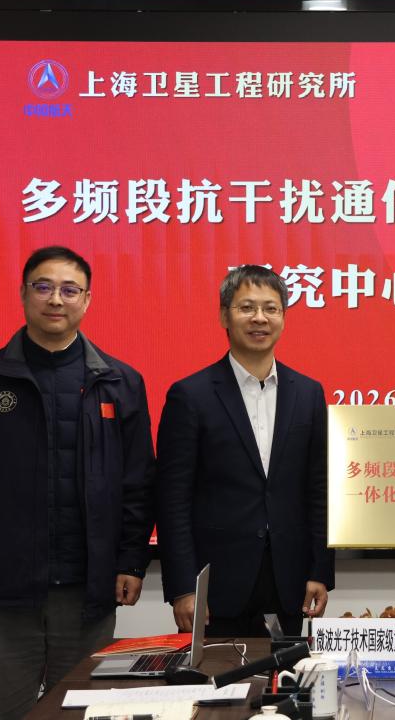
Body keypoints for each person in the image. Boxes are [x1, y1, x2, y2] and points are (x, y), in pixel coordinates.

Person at [0, 246, 156, 720]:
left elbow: (138, 483)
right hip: (5, 592)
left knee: (81, 713)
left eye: (70, 290)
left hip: (88, 594)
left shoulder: (120, 382)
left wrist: (132, 560)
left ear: (87, 300)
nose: (56, 299)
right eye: (44, 287)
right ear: (23, 294)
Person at [156, 264, 334, 637]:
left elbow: (319, 490)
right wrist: (183, 586)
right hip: (215, 586)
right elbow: (172, 500)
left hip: (289, 581)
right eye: (247, 307)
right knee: (216, 675)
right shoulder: (191, 395)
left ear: (283, 318)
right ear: (225, 315)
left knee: (286, 672)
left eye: (271, 309)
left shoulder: (308, 393)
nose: (259, 318)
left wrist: (320, 570)